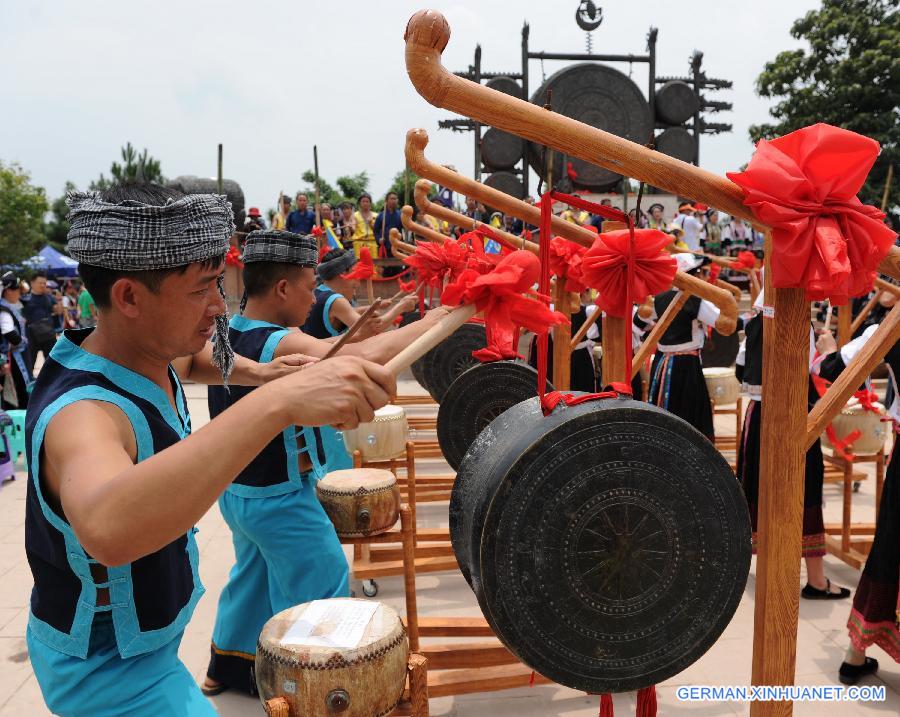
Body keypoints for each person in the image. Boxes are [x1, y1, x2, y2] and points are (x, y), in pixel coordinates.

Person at [25, 184, 396, 717]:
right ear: (129, 297)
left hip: (143, 656)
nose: (221, 306)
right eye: (203, 289)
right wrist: (276, 401)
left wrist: (260, 373)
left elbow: (194, 363)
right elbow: (107, 526)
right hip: (106, 673)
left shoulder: (140, 354)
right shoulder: (83, 414)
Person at [203, 231, 450, 695]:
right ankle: (309, 691)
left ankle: (226, 669)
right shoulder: (274, 340)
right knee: (322, 585)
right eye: (309, 284)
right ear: (281, 289)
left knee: (250, 581)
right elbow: (358, 356)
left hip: (238, 493)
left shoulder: (229, 330)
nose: (315, 296)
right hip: (279, 498)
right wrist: (436, 319)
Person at [735, 289, 850, 608]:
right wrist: (828, 350)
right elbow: (825, 373)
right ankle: (815, 579)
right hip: (793, 417)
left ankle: (761, 568)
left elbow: (739, 369)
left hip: (758, 418)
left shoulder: (754, 325)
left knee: (759, 488)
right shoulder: (802, 327)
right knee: (806, 490)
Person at [815, 324, 899, 683]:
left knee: (891, 546)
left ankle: (855, 652)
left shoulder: (893, 325)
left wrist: (829, 347)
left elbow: (830, 370)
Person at [645, 254, 720, 439]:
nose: (703, 278)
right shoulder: (696, 301)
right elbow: (721, 323)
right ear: (692, 276)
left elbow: (642, 320)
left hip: (662, 363)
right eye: (701, 273)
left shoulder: (659, 299)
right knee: (689, 414)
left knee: (666, 410)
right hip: (686, 366)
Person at [303, 248, 413, 341]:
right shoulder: (336, 301)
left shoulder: (318, 291)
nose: (358, 281)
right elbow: (372, 328)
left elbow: (347, 312)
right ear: (343, 273)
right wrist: (401, 306)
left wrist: (372, 307)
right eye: (355, 271)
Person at [0, 272, 34, 409]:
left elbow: (27, 296)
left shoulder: (10, 305)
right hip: (12, 357)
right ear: (8, 291)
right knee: (17, 389)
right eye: (17, 290)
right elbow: (8, 332)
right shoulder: (4, 310)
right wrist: (20, 342)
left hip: (17, 355)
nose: (20, 293)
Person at [21, 271, 62, 365]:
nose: (43, 285)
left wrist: (59, 300)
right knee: (30, 363)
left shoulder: (49, 297)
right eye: (40, 283)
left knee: (51, 363)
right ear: (32, 283)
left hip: (48, 335)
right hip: (31, 336)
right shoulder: (24, 298)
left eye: (44, 283)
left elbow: (58, 311)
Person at [374, 192, 403, 275]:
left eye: (396, 199)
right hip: (386, 248)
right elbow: (375, 231)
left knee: (398, 271)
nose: (394, 201)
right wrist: (379, 239)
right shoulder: (381, 216)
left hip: (398, 247)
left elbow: (405, 230)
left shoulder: (400, 215)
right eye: (392, 198)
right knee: (385, 272)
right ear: (386, 201)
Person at [351, 193, 377, 258]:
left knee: (373, 264)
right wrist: (351, 227)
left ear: (370, 203)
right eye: (363, 201)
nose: (365, 203)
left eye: (367, 201)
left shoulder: (376, 215)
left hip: (372, 243)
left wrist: (371, 223)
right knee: (359, 264)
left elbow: (377, 230)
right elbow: (353, 228)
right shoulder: (355, 215)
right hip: (359, 243)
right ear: (359, 203)